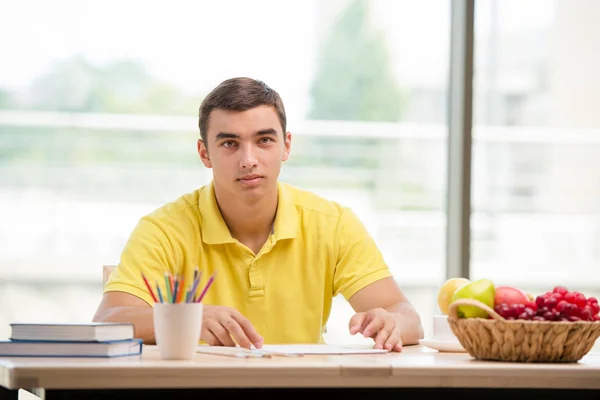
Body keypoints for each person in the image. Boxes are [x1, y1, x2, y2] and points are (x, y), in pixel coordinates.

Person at [93, 77, 424, 352]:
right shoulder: (163, 229)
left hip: (303, 391)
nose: (248, 159)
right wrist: (189, 318)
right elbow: (107, 321)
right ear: (204, 153)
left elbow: (408, 317)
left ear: (286, 146)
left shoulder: (333, 223)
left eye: (264, 140)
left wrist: (390, 323)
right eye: (230, 144)